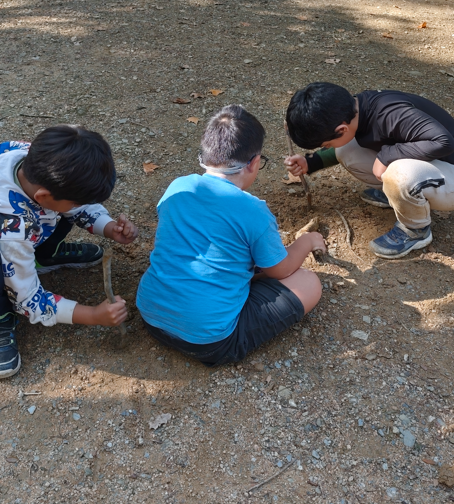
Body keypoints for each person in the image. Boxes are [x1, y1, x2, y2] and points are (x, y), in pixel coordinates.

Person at [0, 125, 138, 379]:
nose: (81, 205)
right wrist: (92, 315)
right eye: (79, 202)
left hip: (17, 233)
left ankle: (43, 255)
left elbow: (74, 204)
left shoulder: (35, 161)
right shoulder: (11, 228)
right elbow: (27, 299)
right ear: (42, 196)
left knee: (62, 205)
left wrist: (109, 227)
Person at [136, 105, 323, 367]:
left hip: (151, 315)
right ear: (254, 163)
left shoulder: (178, 186)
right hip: (210, 342)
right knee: (309, 282)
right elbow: (280, 270)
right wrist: (307, 241)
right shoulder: (253, 211)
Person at [285, 84, 454, 259]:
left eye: (326, 144)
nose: (326, 147)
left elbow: (444, 142)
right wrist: (310, 162)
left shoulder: (390, 115)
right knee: (347, 150)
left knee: (399, 173)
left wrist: (387, 156)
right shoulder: (356, 108)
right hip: (432, 167)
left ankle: (416, 229)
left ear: (342, 129)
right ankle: (399, 198)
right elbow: (343, 145)